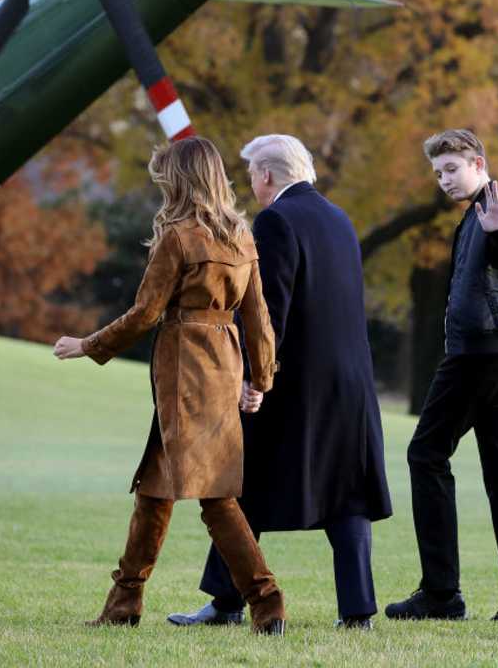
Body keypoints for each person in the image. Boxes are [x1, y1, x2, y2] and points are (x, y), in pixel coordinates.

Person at [53, 136, 287, 635]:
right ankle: (124, 603)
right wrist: (260, 378)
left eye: (165, 178)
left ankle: (267, 602)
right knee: (155, 492)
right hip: (222, 369)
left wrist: (87, 345)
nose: (161, 186)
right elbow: (258, 316)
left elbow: (145, 313)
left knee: (217, 499)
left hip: (185, 369)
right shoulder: (242, 237)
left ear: (181, 181)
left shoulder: (178, 237)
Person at [167, 134, 392, 630]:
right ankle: (357, 613)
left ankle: (226, 603)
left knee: (245, 485)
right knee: (347, 494)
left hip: (293, 383)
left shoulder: (275, 220)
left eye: (252, 176)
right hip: (351, 382)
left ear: (267, 175)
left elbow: (271, 312)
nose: (251, 186)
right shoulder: (340, 219)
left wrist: (253, 377)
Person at [385, 128, 498, 623]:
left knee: (426, 453)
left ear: (479, 163)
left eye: (452, 169)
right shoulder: (476, 215)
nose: (445, 180)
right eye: (438, 173)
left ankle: (441, 596)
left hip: (483, 353)